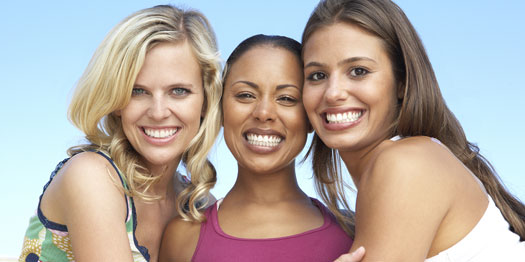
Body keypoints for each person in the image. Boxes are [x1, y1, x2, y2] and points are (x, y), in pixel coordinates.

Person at [301, 0, 525, 261]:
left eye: (358, 71)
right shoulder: (410, 163)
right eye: (317, 75)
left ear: (402, 83)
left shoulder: (405, 163)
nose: (334, 92)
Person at [19, 5, 222, 262]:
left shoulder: (198, 204)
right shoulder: (92, 176)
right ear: (116, 102)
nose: (158, 112)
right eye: (138, 91)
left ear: (205, 101)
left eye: (179, 91)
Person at [159, 34, 364, 262]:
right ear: (221, 107)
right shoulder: (181, 238)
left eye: (286, 98)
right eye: (246, 95)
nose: (264, 113)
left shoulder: (354, 233)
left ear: (309, 116)